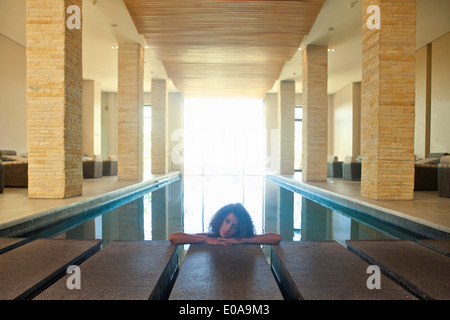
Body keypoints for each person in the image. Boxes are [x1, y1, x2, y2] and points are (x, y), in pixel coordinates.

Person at [169, 203, 281, 245]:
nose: (228, 229)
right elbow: (174, 238)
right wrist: (206, 239)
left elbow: (276, 238)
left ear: (240, 229)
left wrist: (242, 240)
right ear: (220, 219)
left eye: (235, 226)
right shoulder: (211, 236)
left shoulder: (241, 237)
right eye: (227, 221)